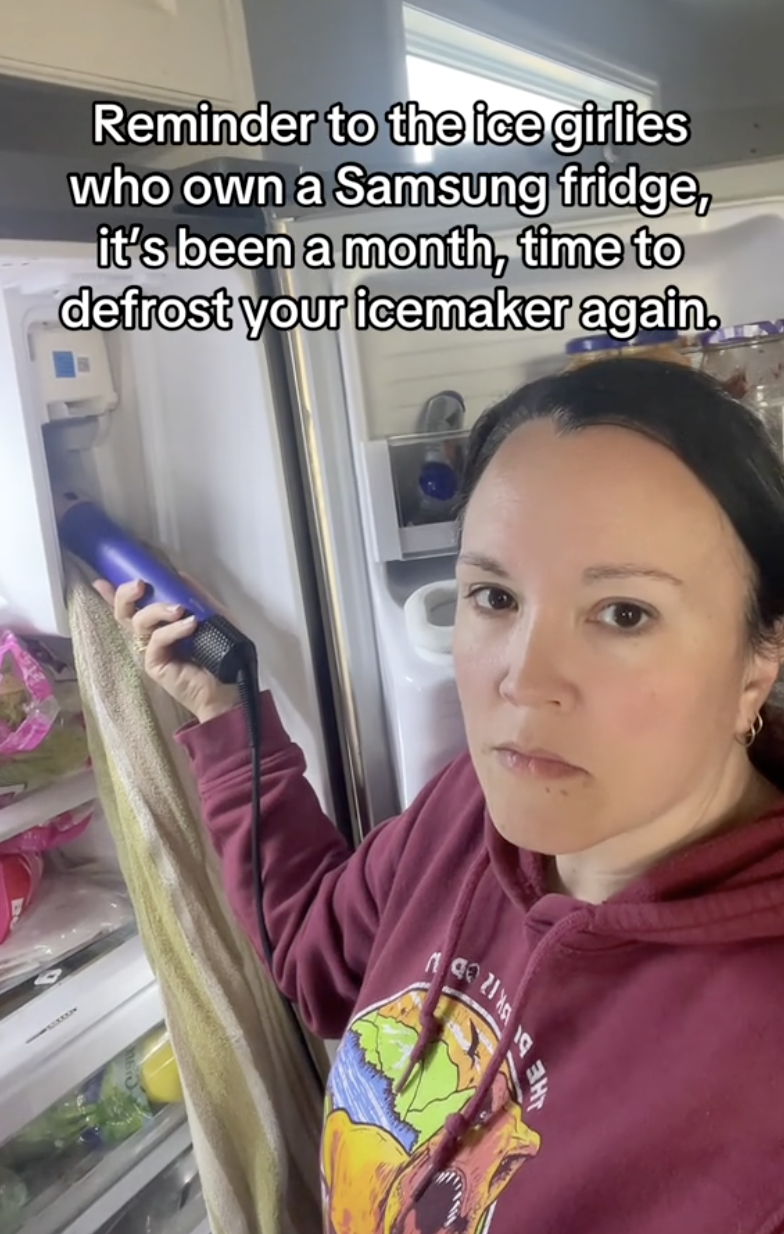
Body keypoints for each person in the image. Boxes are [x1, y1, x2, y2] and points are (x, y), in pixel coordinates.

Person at [96, 357, 784, 1234]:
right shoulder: (470, 808)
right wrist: (231, 723)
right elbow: (318, 957)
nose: (525, 683)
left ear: (757, 661)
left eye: (623, 614)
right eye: (494, 596)